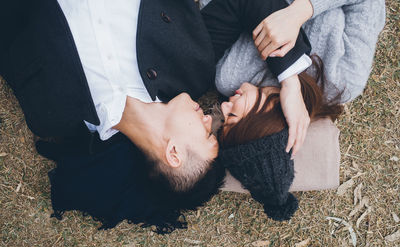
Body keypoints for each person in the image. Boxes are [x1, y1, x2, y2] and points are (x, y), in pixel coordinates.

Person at [0, 0, 312, 232]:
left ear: (173, 153)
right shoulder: (192, 68)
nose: (209, 116)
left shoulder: (52, 115)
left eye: (206, 133)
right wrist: (290, 80)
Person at [202, 0, 385, 220]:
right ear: (265, 120)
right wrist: (303, 10)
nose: (223, 105)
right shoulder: (343, 80)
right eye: (232, 115)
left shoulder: (231, 77)